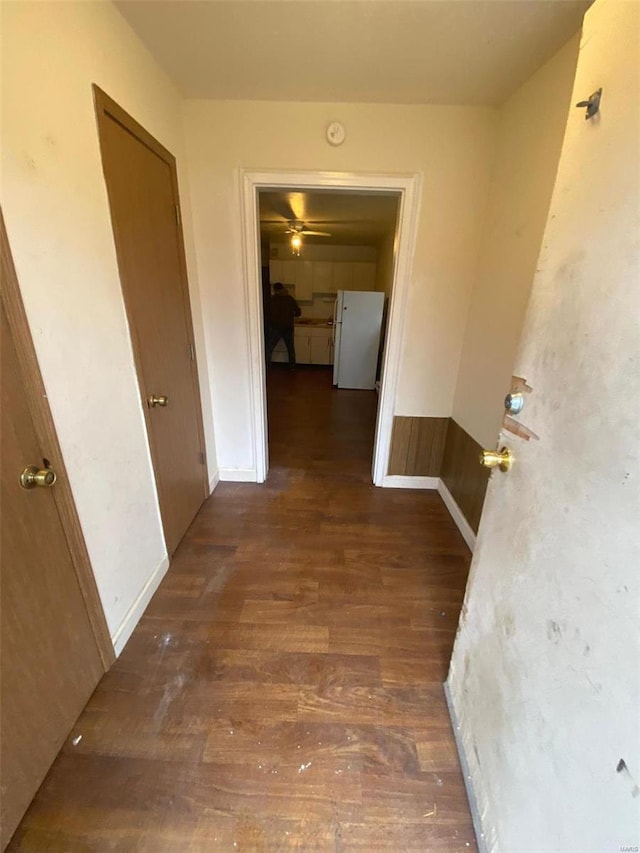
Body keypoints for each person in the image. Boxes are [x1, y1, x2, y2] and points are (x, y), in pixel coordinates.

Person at [266, 282, 301, 368]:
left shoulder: (273, 299)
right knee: (290, 348)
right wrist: (291, 315)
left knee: (270, 347)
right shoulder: (290, 298)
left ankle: (266, 365)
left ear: (274, 290)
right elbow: (298, 312)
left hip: (276, 327)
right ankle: (292, 367)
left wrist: (270, 324)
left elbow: (269, 314)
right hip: (288, 327)